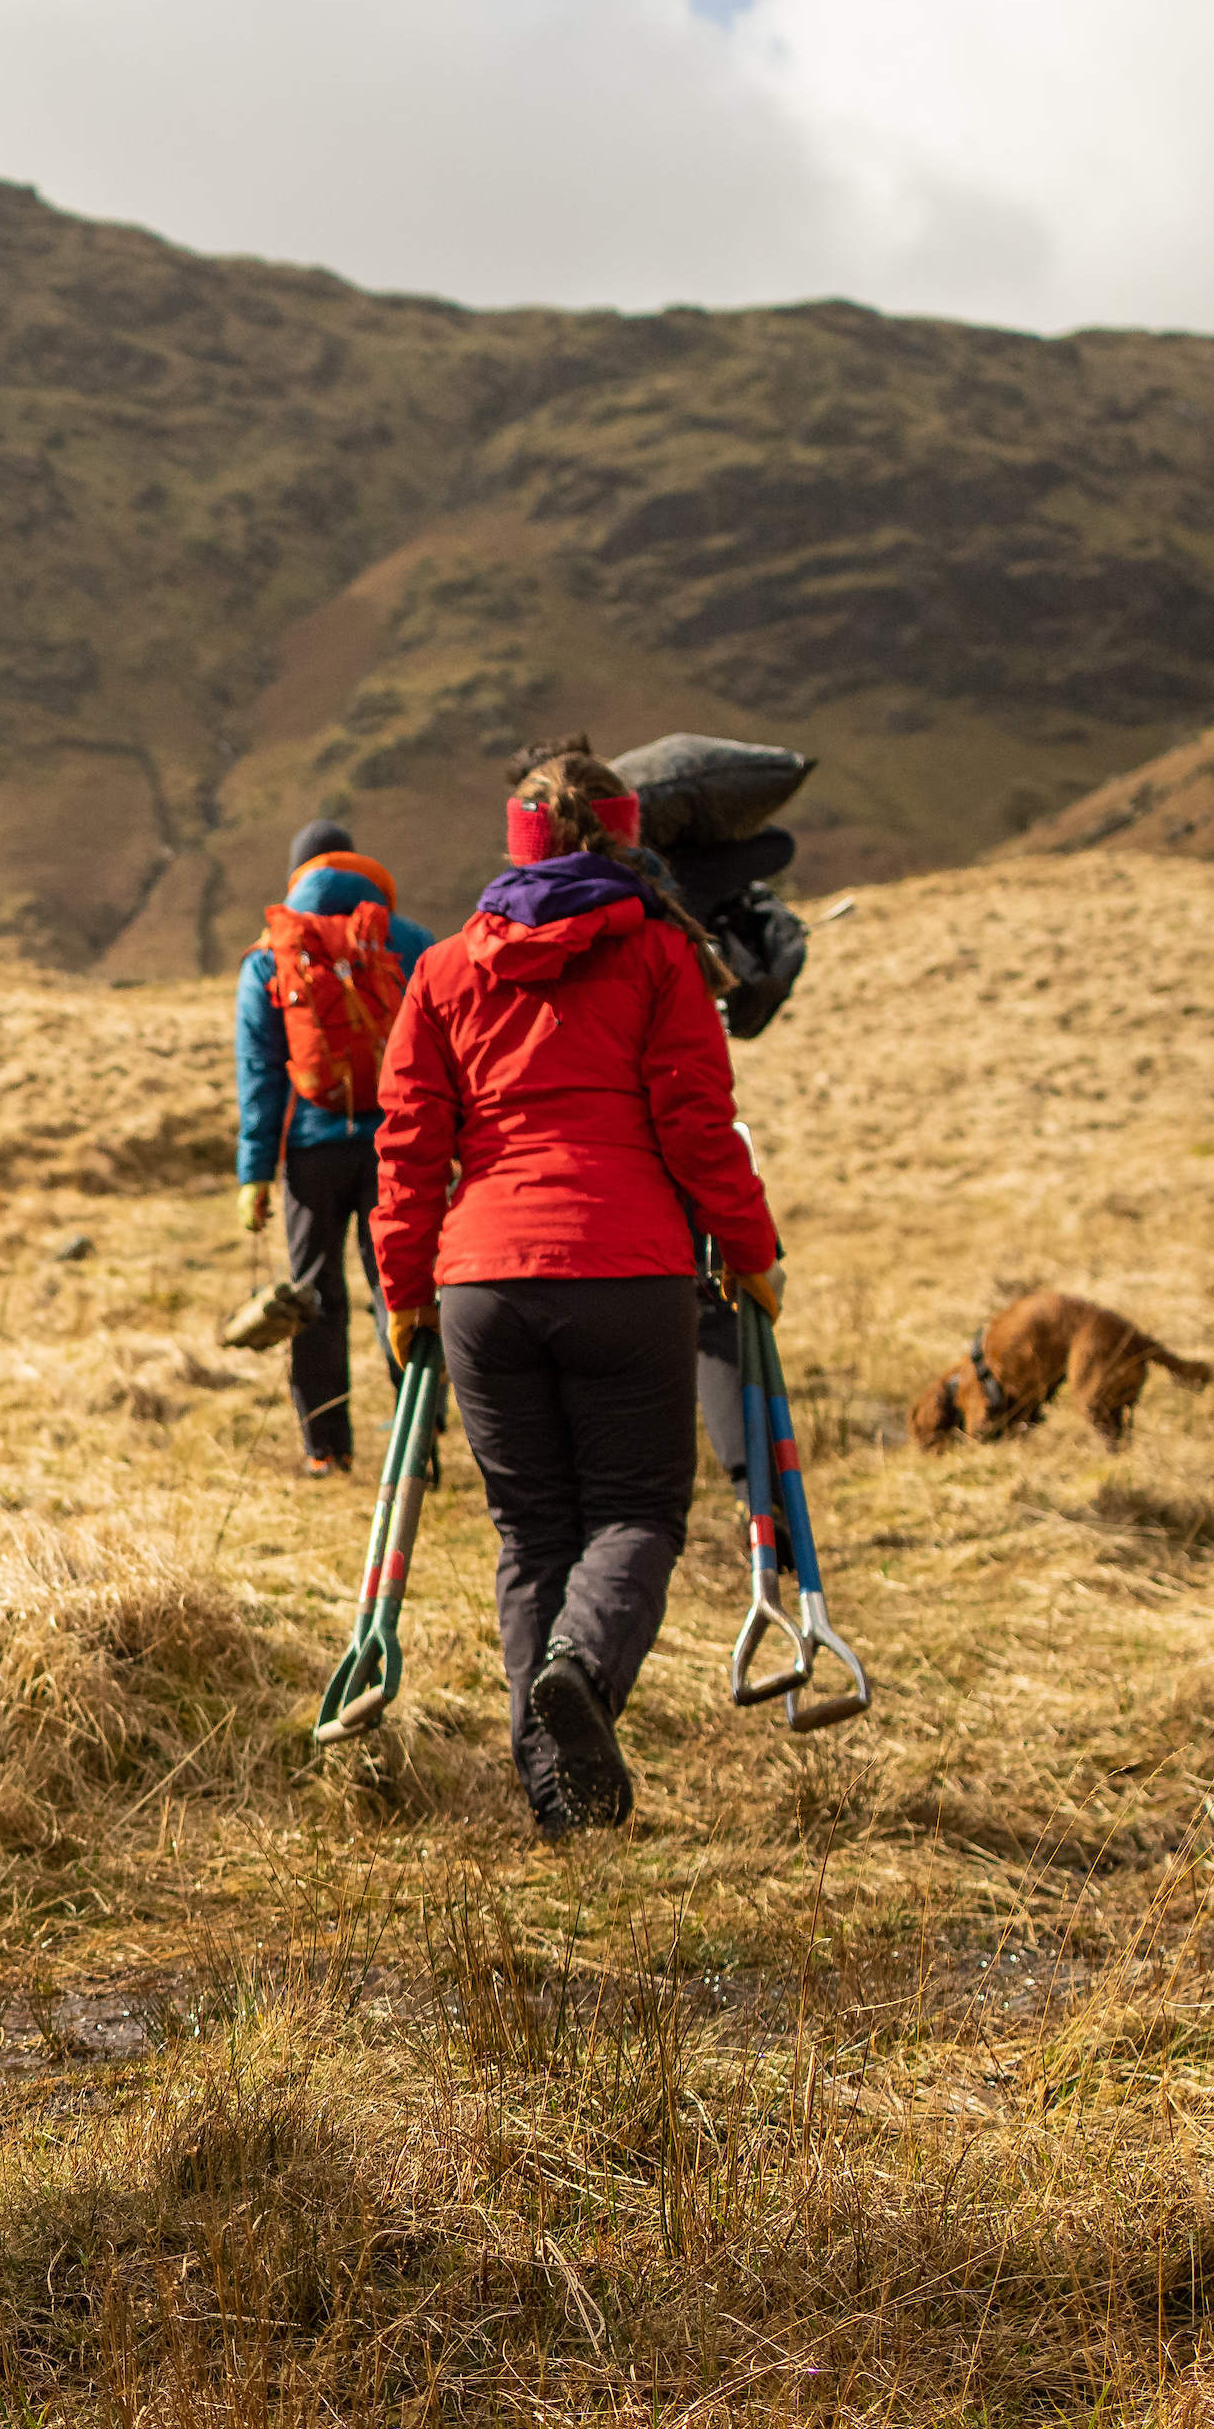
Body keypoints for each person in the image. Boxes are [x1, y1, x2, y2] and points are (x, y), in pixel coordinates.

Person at [371, 738, 783, 1837]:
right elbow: (698, 1124)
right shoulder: (658, 954)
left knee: (533, 1532)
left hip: (480, 1286)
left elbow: (409, 1141)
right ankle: (582, 1670)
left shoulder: (448, 966)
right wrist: (751, 1249)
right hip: (627, 1269)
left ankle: (557, 1799)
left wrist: (402, 1284)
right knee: (638, 1512)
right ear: (628, 833)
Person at [232, 820, 431, 1476]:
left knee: (315, 1297)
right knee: (398, 1289)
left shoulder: (272, 954)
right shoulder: (404, 941)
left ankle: (326, 1449)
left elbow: (259, 1073)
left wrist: (254, 1174)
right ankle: (417, 1445)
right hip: (396, 1147)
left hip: (312, 1155)